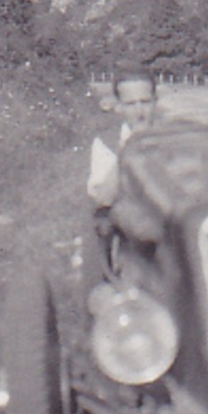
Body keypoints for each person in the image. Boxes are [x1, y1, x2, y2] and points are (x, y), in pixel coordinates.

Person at [84, 64, 158, 288]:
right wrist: (129, 149)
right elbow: (103, 198)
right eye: (131, 104)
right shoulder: (107, 143)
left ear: (156, 102)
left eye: (145, 102)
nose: (140, 111)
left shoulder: (172, 136)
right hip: (131, 236)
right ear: (118, 107)